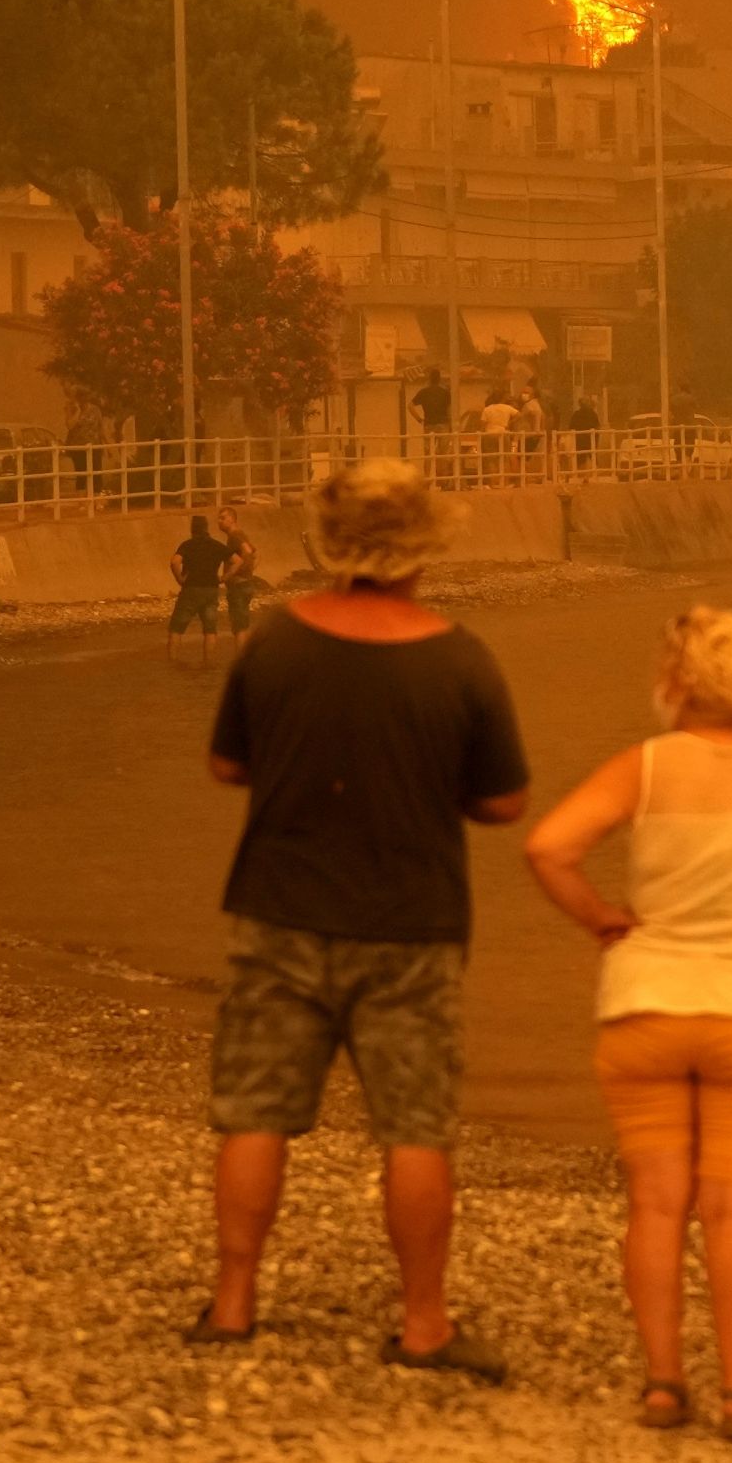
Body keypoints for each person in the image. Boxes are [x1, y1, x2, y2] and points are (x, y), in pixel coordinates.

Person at [193, 458, 530, 1380]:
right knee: (414, 1127)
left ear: (327, 542)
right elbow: (504, 802)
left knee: (254, 1114)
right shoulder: (460, 658)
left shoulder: (275, 644)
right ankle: (423, 1325)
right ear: (425, 545)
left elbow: (228, 767)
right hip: (410, 922)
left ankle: (233, 1306)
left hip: (279, 907)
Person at [524, 608, 732, 1441]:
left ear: (676, 678)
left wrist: (602, 918)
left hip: (646, 1003)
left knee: (655, 1204)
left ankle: (661, 1385)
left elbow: (548, 846)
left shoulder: (643, 768)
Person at [168, 515, 241, 662]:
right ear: (206, 528)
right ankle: (208, 663)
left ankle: (173, 662)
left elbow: (175, 562)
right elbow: (237, 561)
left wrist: (180, 579)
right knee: (210, 629)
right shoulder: (216, 545)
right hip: (211, 590)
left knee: (176, 628)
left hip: (191, 589)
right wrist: (224, 578)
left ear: (192, 528)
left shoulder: (187, 545)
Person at [217, 505, 259, 642]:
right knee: (243, 625)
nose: (219, 521)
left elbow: (247, 551)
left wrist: (229, 575)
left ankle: (241, 659)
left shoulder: (235, 536)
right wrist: (249, 571)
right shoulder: (240, 534)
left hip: (238, 587)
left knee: (239, 627)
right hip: (246, 584)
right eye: (218, 518)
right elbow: (255, 554)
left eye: (223, 518)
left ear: (232, 519)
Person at [410, 369, 452, 465]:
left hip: (428, 424)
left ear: (429, 379)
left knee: (428, 453)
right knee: (443, 454)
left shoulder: (424, 392)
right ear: (439, 379)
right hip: (443, 424)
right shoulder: (445, 393)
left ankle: (428, 476)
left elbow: (410, 406)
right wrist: (450, 426)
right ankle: (441, 477)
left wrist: (419, 419)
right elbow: (449, 411)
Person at [569, 395, 601, 475]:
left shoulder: (577, 414)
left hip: (580, 440)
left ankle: (580, 474)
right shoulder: (592, 414)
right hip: (589, 439)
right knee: (592, 456)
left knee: (581, 457)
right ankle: (594, 473)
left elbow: (571, 427)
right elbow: (597, 427)